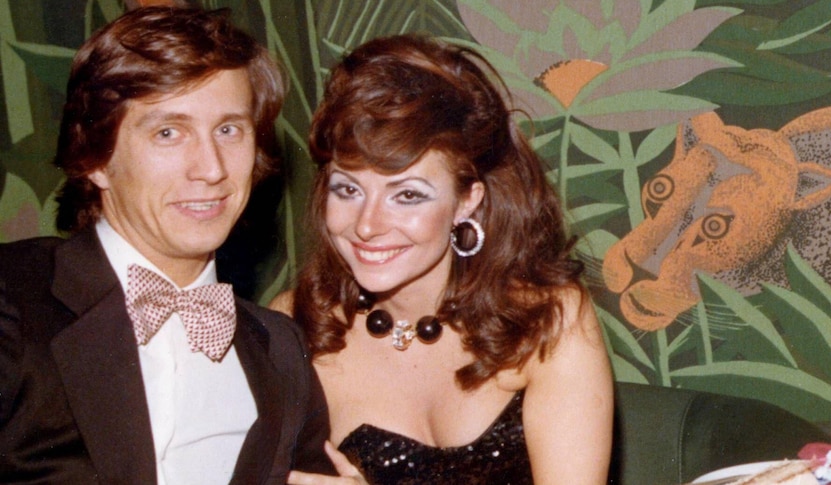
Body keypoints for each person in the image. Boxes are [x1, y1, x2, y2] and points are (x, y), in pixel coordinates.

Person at [0, 6, 334, 484]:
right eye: (168, 132)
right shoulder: (14, 300)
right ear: (95, 157)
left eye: (228, 129)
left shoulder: (280, 349)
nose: (211, 169)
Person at [271, 34, 613, 484]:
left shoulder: (548, 320)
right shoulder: (295, 326)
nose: (367, 225)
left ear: (467, 200)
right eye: (348, 189)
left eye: (408, 195)